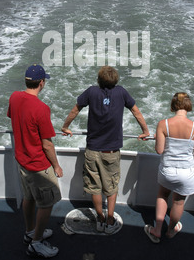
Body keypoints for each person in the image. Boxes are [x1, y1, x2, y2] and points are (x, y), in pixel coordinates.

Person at [61, 66, 150, 234]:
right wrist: (145, 131)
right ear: (115, 80)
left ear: (99, 80)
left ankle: (99, 219)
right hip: (111, 152)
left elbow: (75, 110)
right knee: (111, 187)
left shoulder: (91, 92)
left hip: (92, 150)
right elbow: (136, 112)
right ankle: (110, 219)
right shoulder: (122, 92)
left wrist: (65, 127)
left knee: (94, 187)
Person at [7, 64, 63, 258]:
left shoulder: (14, 97)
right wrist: (56, 166)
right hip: (38, 166)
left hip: (22, 161)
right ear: (42, 83)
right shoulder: (41, 108)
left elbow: (13, 116)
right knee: (46, 204)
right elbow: (47, 144)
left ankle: (30, 230)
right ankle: (36, 243)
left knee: (29, 198)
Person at [144, 92, 194, 243]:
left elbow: (159, 150)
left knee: (163, 195)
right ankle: (170, 231)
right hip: (187, 171)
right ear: (188, 105)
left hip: (168, 170)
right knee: (178, 202)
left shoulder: (163, 124)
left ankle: (157, 230)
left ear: (173, 105)